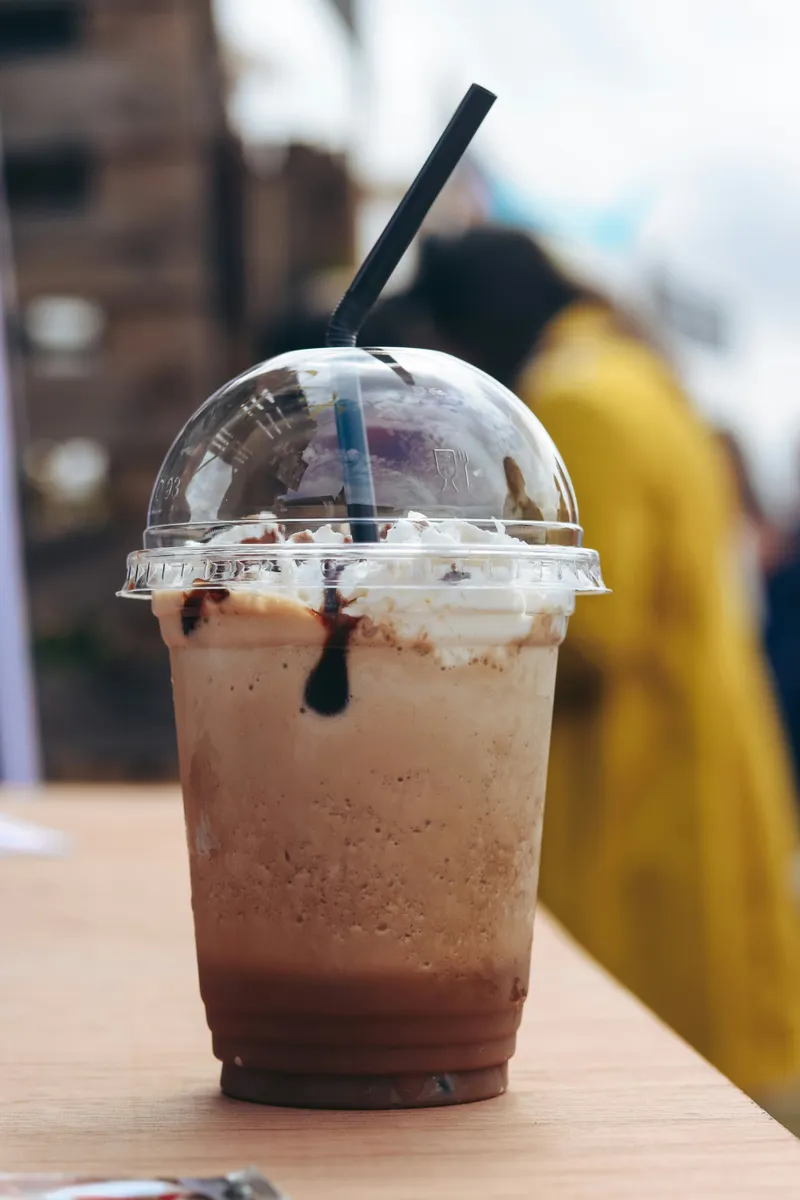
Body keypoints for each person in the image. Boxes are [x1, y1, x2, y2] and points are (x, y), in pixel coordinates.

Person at [400, 227, 800, 1104]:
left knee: (642, 1092)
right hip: (692, 755)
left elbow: (585, 638)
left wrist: (418, 628)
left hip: (634, 785)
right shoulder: (636, 379)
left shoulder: (575, 400)